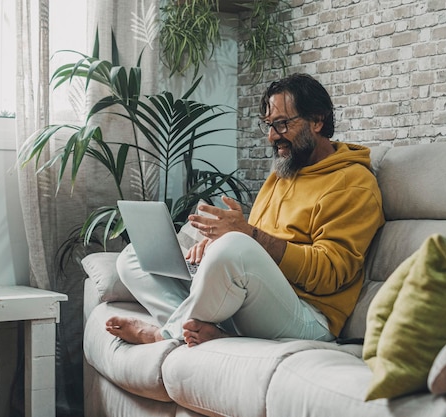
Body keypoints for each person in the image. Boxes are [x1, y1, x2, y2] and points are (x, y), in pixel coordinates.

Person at [106, 73, 385, 347]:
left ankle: (163, 335)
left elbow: (330, 274)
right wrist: (212, 245)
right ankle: (198, 328)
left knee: (235, 247)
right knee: (133, 257)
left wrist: (244, 237)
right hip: (253, 300)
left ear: (317, 121)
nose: (272, 137)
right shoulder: (285, 171)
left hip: (308, 315)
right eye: (268, 125)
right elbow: (255, 244)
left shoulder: (352, 182)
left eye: (282, 124)